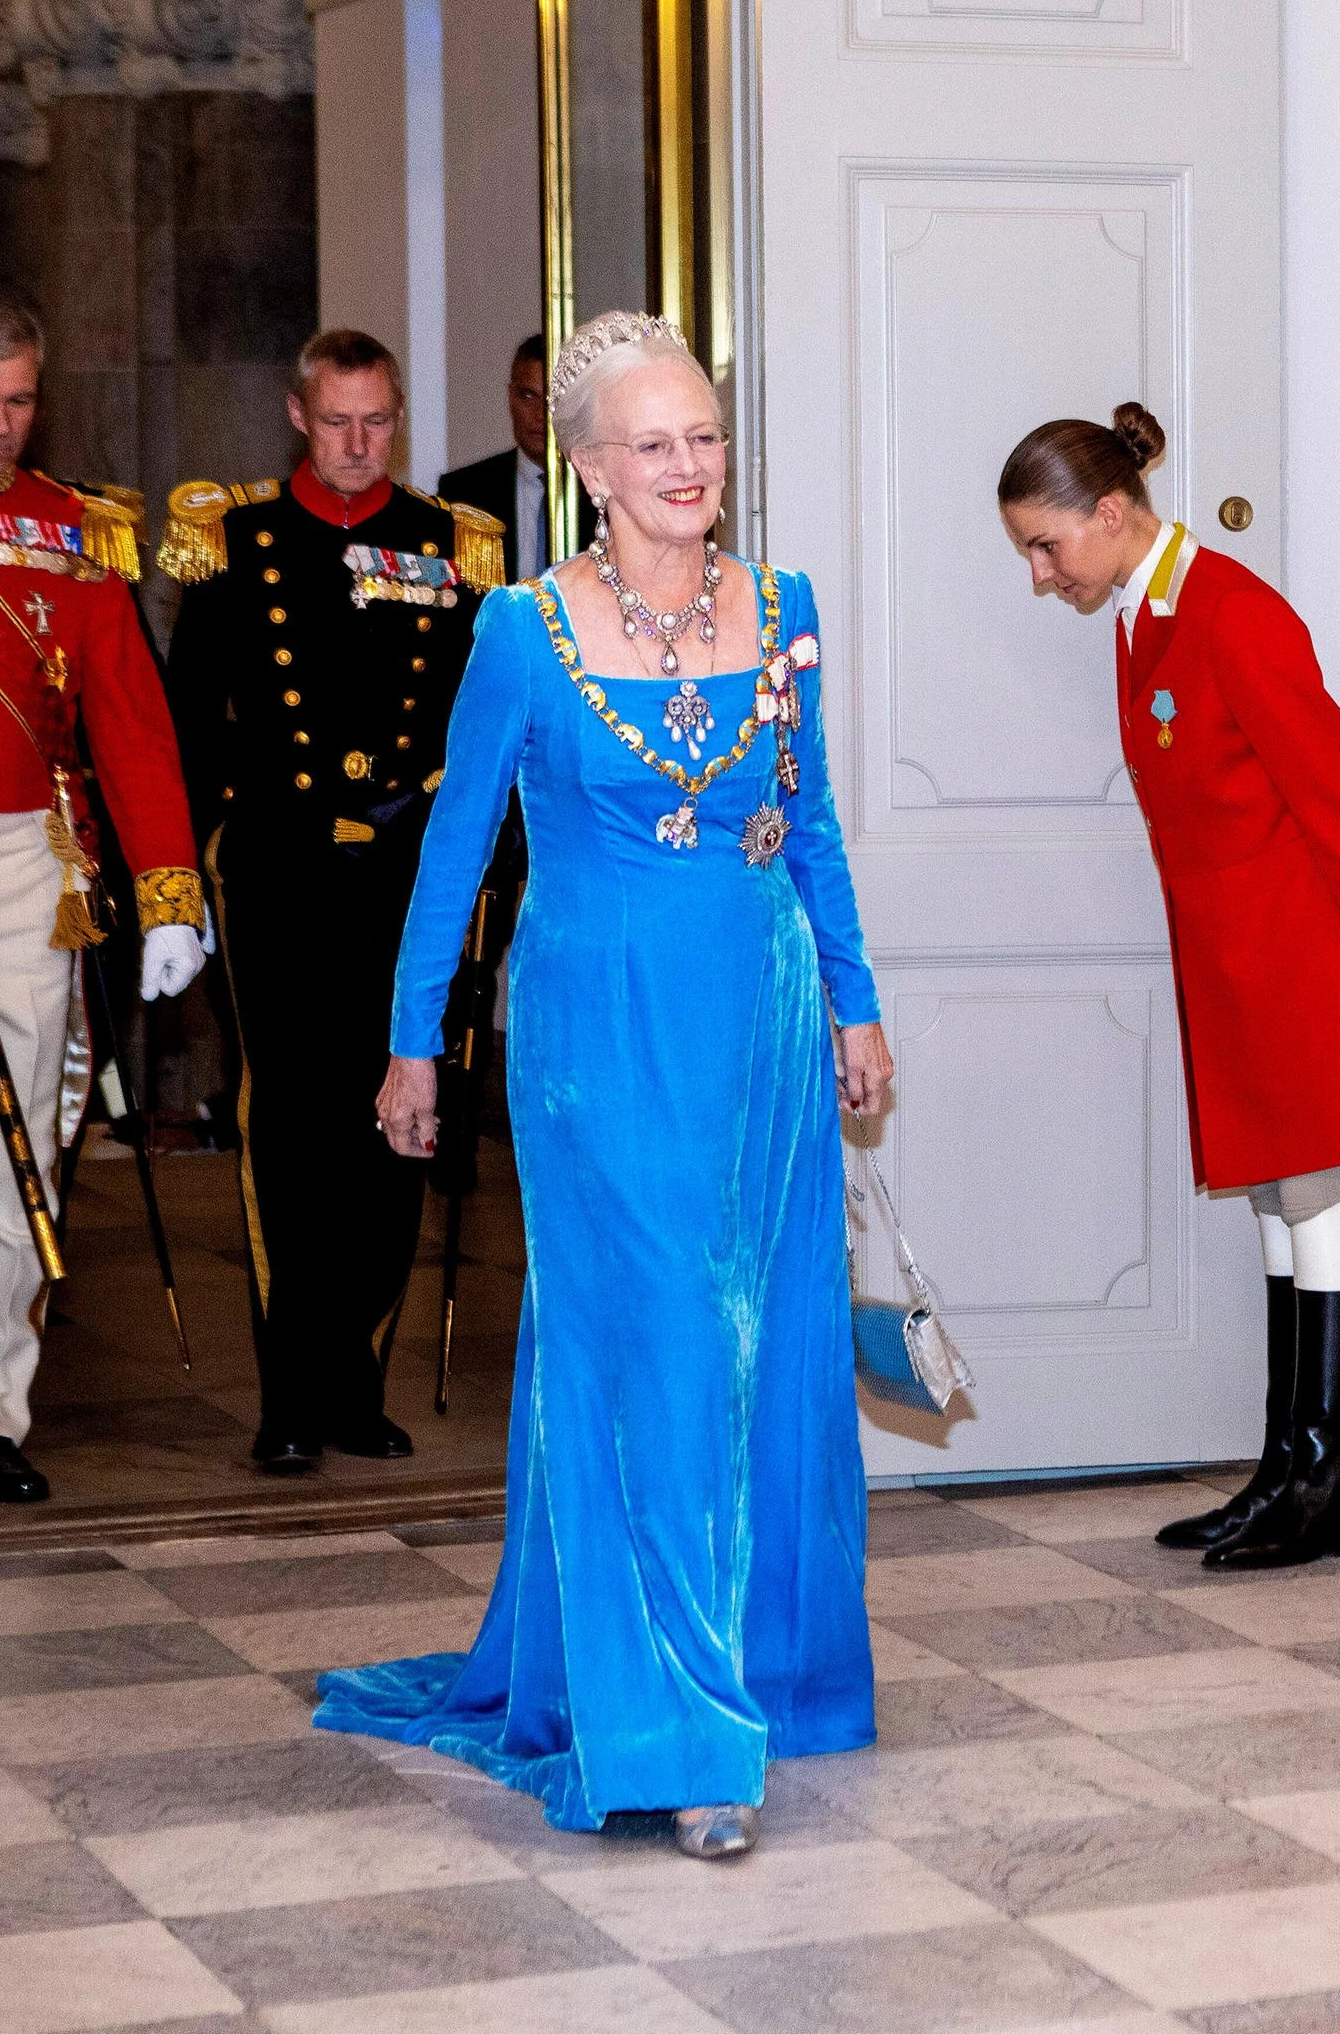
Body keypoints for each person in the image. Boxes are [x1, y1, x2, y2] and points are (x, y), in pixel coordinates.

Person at [313, 311, 894, 1859]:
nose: (688, 465)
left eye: (703, 435)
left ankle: (772, 1671)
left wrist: (855, 999)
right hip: (595, 1024)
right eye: (653, 443)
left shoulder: (783, 608)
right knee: (657, 1343)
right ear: (585, 468)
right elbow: (456, 846)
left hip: (758, 1018)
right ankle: (678, 1735)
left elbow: (811, 821)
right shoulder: (523, 628)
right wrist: (411, 1034)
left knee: (761, 1346)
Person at [999, 404, 1340, 1570]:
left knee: (1323, 1205)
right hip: (1234, 968)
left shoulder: (1231, 613)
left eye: (1046, 546)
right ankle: (1287, 1470)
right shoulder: (1144, 618)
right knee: (1282, 1211)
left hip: (1304, 958)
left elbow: (1336, 786)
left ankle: (1329, 1487)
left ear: (1112, 513)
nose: (1039, 575)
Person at [161, 328, 505, 1475]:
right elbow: (189, 714)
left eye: (380, 422)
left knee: (396, 1120)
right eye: (338, 421)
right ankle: (291, 1389)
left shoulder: (449, 545)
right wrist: (199, 856)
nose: (360, 446)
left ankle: (357, 1377)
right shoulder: (236, 538)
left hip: (405, 875)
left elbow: (476, 719)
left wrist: (487, 859)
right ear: (298, 414)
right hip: (282, 871)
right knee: (294, 1124)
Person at [0, 286, 207, 1504]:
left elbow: (129, 716)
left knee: (11, 1130)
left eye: (19, 399)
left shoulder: (79, 529)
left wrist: (171, 887)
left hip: (29, 851)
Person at [438, 333, 546, 583]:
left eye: (552, 398)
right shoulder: (463, 493)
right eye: (528, 397)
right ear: (510, 398)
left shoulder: (604, 492)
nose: (540, 414)